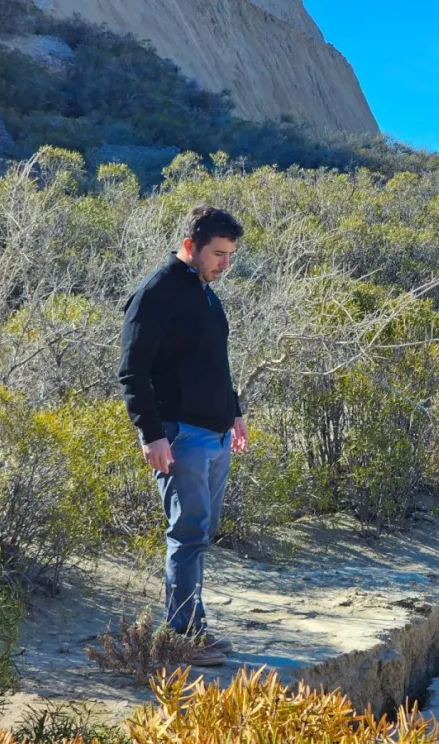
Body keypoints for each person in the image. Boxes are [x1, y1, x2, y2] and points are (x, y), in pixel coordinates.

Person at [118, 205, 249, 667]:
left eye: (230, 255)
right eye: (218, 254)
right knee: (188, 533)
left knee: (201, 532)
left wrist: (234, 412)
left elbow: (215, 360)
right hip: (180, 435)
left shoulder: (206, 292)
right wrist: (151, 435)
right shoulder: (157, 292)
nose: (225, 265)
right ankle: (185, 636)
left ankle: (191, 625)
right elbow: (131, 372)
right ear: (190, 247)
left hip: (213, 434)